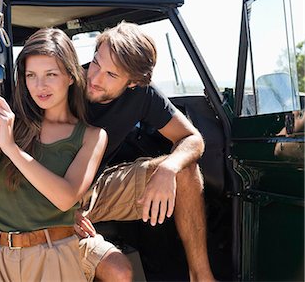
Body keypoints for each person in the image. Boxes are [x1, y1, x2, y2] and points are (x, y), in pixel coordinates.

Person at [0, 28, 107, 281]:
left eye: (50, 74)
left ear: (71, 76)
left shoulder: (92, 136)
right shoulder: (8, 122)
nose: (40, 85)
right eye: (31, 75)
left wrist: (11, 147)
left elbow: (65, 198)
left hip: (54, 258)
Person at [75, 22, 215, 282]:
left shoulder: (143, 95)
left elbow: (192, 139)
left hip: (95, 188)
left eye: (111, 75)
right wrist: (59, 210)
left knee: (185, 168)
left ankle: (202, 277)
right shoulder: (65, 84)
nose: (94, 78)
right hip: (50, 191)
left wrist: (167, 168)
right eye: (95, 63)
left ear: (134, 82)